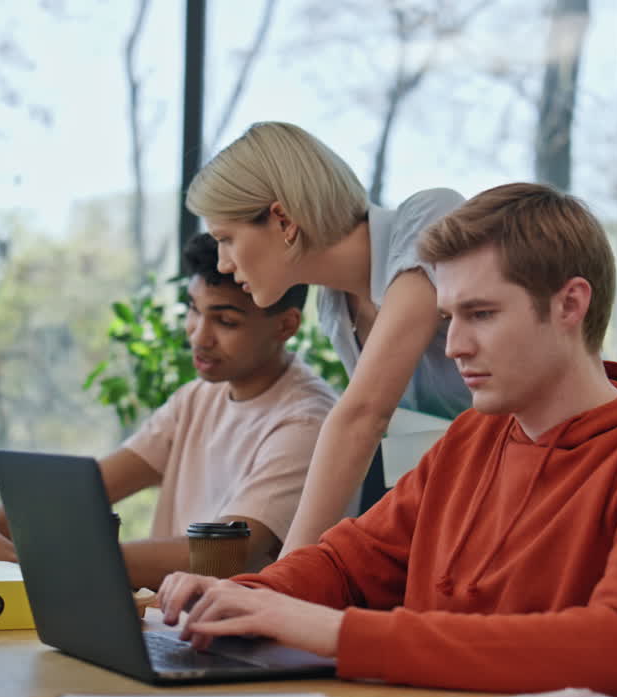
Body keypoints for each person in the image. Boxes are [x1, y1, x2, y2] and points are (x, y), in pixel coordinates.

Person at [157, 183, 617, 697]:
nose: (455, 346)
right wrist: (242, 597)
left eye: (481, 314)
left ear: (570, 305)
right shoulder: (471, 437)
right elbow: (346, 563)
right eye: (449, 317)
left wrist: (336, 634)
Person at [0, 233, 339, 590]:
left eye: (226, 320)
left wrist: (34, 560)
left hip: (240, 636)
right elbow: (88, 490)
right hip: (176, 620)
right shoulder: (198, 397)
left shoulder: (305, 421)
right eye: (194, 311)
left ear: (286, 325)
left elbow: (227, 555)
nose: (198, 335)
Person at [186, 121, 472, 554]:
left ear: (282, 219)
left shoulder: (430, 217)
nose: (223, 264)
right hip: (465, 506)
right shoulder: (335, 309)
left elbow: (365, 415)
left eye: (226, 239)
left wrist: (284, 579)